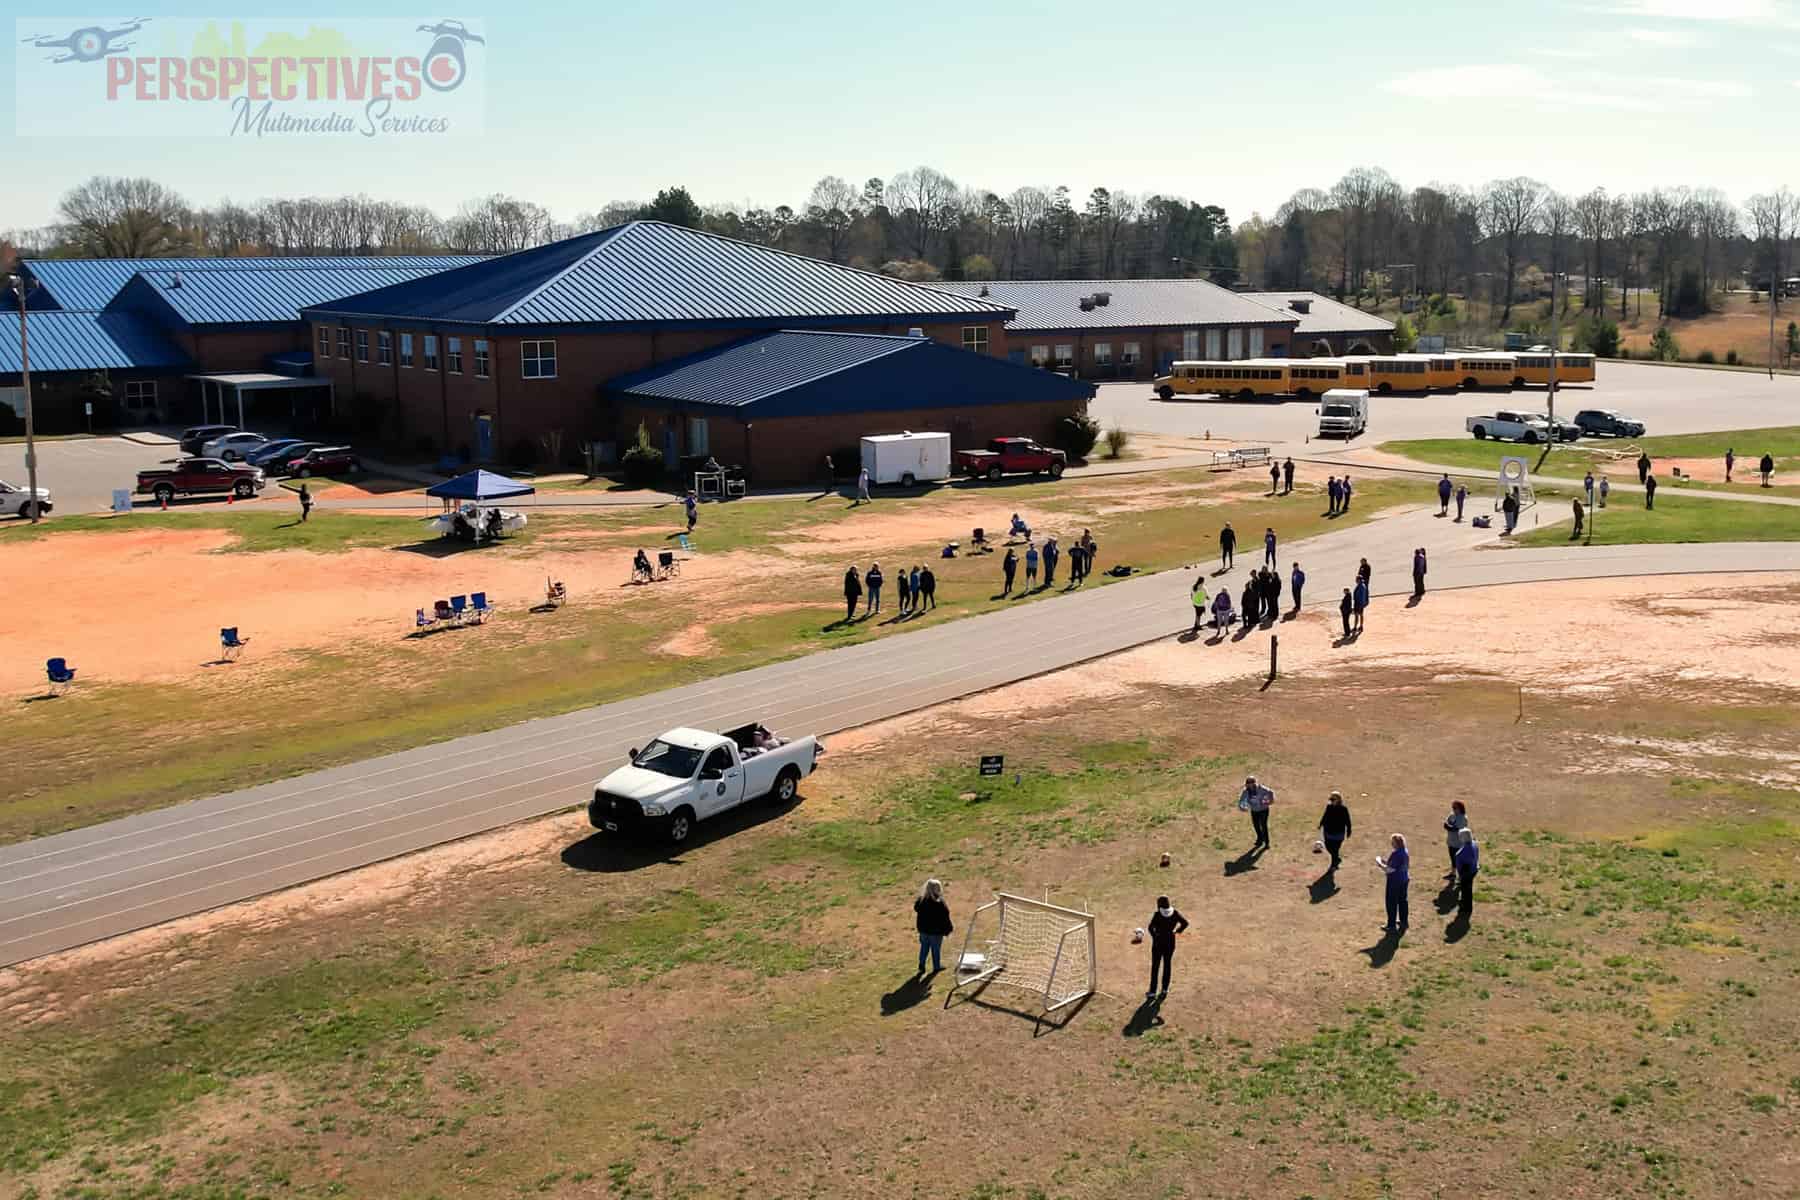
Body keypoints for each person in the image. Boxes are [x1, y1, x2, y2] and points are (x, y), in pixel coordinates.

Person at [1145, 896, 1189, 1000]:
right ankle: (1164, 989)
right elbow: (1185, 923)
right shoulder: (1174, 913)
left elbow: (1150, 927)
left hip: (1158, 943)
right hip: (1170, 941)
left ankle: (1152, 992)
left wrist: (1155, 937)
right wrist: (1177, 931)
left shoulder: (1157, 914)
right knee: (1167, 965)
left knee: (1155, 966)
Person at [914, 879, 953, 975]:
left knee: (924, 948)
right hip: (936, 932)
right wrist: (948, 929)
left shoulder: (921, 900)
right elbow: (945, 917)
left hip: (923, 931)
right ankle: (936, 967)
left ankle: (921, 965)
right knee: (936, 950)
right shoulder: (939, 902)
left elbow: (916, 908)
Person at [1377, 834, 1411, 934]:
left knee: (1391, 903)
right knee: (1402, 901)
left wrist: (1379, 863)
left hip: (1395, 882)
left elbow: (1389, 870)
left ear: (1396, 843)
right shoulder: (1404, 851)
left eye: (1392, 842)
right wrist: (1384, 861)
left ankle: (1391, 925)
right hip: (1404, 880)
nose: (1391, 844)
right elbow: (1393, 864)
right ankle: (1404, 921)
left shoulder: (1396, 854)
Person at [1318, 791, 1352, 870]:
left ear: (1338, 800)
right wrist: (1321, 824)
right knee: (1328, 847)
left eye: (1333, 799)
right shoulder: (1329, 807)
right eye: (1331, 799)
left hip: (1338, 833)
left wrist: (1349, 830)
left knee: (1335, 849)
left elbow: (1348, 820)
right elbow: (1325, 816)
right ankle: (1336, 859)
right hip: (1328, 832)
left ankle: (1334, 864)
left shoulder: (1343, 809)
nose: (1331, 801)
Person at [1239, 775, 1275, 849]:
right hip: (1254, 811)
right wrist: (1242, 807)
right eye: (1247, 784)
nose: (1248, 785)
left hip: (1263, 810)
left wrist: (1270, 801)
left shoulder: (1261, 788)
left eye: (1250, 783)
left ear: (1254, 783)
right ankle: (1260, 839)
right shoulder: (1246, 791)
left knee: (1263, 825)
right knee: (1256, 825)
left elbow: (1270, 792)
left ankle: (1267, 843)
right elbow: (1241, 800)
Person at [1453, 828, 1479, 918]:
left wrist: (1460, 875)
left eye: (1460, 836)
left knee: (1465, 891)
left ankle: (1466, 908)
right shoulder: (1474, 844)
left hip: (1466, 873)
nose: (1459, 838)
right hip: (1473, 869)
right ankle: (1467, 905)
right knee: (1468, 889)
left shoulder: (1462, 852)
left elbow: (1460, 865)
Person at [1442, 800, 1469, 880]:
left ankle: (1462, 876)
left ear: (1460, 808)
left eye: (1455, 808)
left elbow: (1456, 829)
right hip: (1451, 841)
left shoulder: (1463, 818)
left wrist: (1449, 827)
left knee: (1459, 860)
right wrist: (1449, 827)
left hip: (1459, 843)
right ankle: (1453, 874)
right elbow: (1446, 824)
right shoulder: (1452, 815)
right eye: (1453, 808)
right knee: (1453, 858)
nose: (1453, 809)